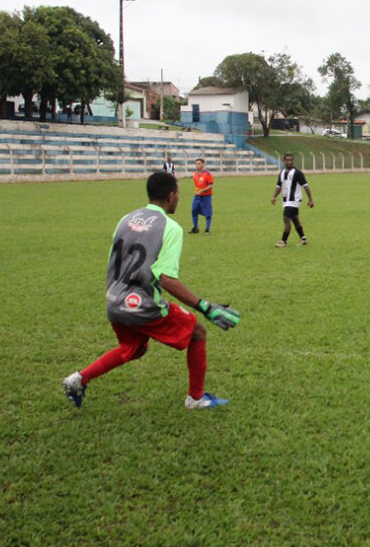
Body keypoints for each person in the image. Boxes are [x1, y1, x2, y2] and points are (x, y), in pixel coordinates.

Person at [61, 171, 240, 410]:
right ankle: (195, 399)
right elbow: (165, 278)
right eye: (178, 194)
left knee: (132, 348)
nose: (179, 199)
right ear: (172, 195)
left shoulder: (126, 218)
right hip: (141, 303)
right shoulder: (170, 228)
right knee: (197, 331)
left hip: (114, 299)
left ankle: (78, 379)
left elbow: (114, 259)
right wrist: (204, 306)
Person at [271, 153, 315, 247]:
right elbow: (279, 186)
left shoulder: (298, 173)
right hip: (286, 200)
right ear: (284, 161)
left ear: (293, 161)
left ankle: (283, 241)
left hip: (294, 200)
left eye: (291, 160)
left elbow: (306, 186)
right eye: (287, 160)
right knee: (295, 219)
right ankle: (303, 239)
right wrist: (274, 196)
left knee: (286, 218)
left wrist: (310, 199)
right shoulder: (282, 173)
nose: (289, 162)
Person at [190, 158, 214, 234]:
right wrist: (197, 191)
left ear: (203, 164)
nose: (197, 165)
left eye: (199, 163)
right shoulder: (195, 175)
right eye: (196, 164)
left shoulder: (207, 174)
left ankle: (207, 229)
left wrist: (203, 190)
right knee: (194, 211)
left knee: (208, 213)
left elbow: (211, 185)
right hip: (197, 196)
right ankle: (195, 228)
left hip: (206, 196)